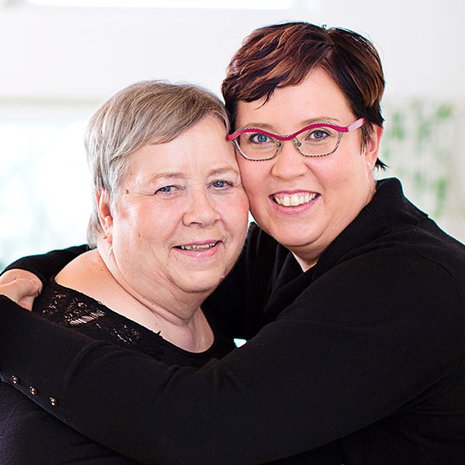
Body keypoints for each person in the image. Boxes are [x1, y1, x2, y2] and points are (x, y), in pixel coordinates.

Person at [1, 21, 465, 465]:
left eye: (319, 134)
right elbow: (156, 252)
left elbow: (206, 425)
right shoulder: (288, 249)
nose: (288, 167)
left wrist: (10, 331)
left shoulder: (411, 282)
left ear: (369, 143)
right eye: (260, 138)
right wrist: (33, 271)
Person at [0, 80, 249, 464]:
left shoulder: (188, 287)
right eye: (167, 188)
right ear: (107, 210)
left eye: (221, 182)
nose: (203, 214)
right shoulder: (52, 407)